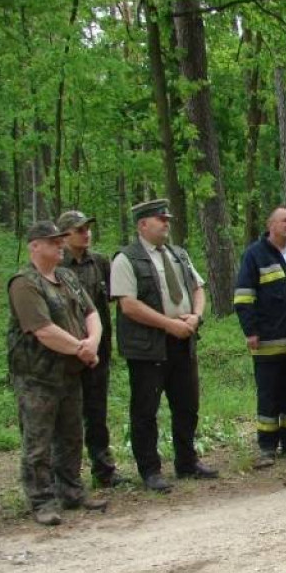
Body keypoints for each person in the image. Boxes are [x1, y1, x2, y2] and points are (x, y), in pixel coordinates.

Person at [111, 199, 217, 493]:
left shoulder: (178, 254)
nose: (167, 223)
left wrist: (195, 317)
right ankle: (150, 470)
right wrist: (169, 324)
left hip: (183, 341)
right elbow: (128, 305)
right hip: (148, 347)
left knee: (187, 405)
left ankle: (187, 461)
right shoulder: (126, 259)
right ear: (143, 224)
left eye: (168, 218)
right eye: (161, 219)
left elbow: (197, 289)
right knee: (145, 410)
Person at [8, 221, 109, 525]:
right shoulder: (24, 283)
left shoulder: (66, 276)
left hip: (70, 372)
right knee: (38, 441)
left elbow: (92, 313)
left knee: (71, 435)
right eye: (53, 242)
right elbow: (42, 330)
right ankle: (41, 500)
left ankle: (71, 491)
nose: (60, 246)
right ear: (35, 246)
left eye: (60, 241)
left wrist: (92, 342)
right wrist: (82, 348)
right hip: (37, 375)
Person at [57, 209, 126, 487]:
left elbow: (112, 299)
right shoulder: (56, 266)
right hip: (65, 353)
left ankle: (104, 469)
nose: (86, 234)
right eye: (79, 230)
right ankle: (63, 476)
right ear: (64, 236)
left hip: (99, 349)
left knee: (97, 413)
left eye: (87, 228)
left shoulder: (99, 262)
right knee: (66, 417)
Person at [234, 207, 286, 468]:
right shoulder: (255, 255)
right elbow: (243, 296)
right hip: (267, 342)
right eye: (285, 220)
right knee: (269, 394)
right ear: (270, 224)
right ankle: (267, 445)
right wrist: (250, 330)